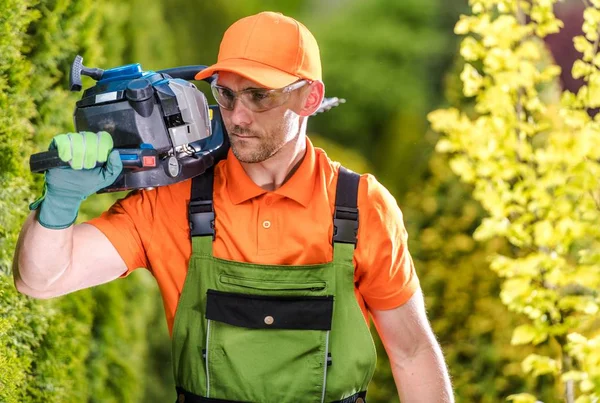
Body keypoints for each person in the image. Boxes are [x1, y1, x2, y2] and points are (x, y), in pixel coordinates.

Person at [13, 11, 453, 403]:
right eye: (226, 95)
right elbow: (40, 280)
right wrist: (60, 201)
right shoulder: (172, 200)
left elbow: (412, 350)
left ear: (310, 99)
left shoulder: (360, 208)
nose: (238, 116)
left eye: (260, 96)